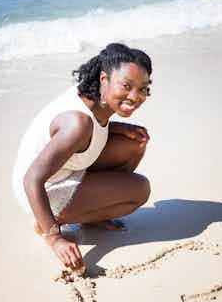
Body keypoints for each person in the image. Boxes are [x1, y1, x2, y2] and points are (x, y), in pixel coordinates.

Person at [12, 43, 153, 271]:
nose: (135, 96)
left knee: (133, 143)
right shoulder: (76, 123)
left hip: (65, 166)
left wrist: (117, 128)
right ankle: (48, 221)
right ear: (104, 79)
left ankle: (92, 212)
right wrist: (55, 238)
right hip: (43, 189)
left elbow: (94, 124)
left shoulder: (92, 98)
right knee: (139, 190)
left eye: (143, 88)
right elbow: (31, 179)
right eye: (126, 86)